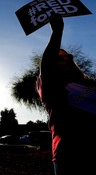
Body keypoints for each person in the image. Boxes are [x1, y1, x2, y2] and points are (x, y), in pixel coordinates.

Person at [36, 13, 96, 175]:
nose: (64, 60)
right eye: (58, 58)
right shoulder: (52, 88)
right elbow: (47, 63)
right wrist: (57, 31)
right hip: (71, 152)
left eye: (68, 57)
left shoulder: (89, 83)